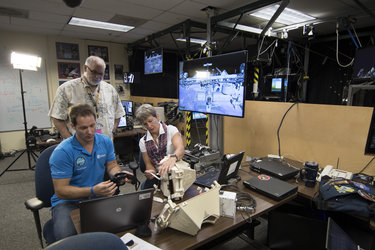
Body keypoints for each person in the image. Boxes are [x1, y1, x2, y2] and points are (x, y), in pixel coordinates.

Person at [49, 104, 132, 242]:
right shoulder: (62, 152)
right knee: (67, 240)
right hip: (68, 202)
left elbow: (112, 166)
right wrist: (93, 190)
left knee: (121, 227)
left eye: (92, 126)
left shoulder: (105, 141)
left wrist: (119, 174)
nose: (90, 132)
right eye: (83, 128)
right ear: (73, 126)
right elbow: (61, 190)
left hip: (96, 196)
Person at [49, 56, 124, 140]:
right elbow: (56, 117)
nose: (97, 76)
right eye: (94, 72)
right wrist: (69, 140)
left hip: (105, 144)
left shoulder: (110, 90)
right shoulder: (66, 89)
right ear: (85, 68)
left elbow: (118, 113)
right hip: (79, 145)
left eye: (101, 74)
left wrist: (112, 130)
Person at [135, 104, 185, 189]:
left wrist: (173, 158)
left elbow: (180, 149)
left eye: (150, 121)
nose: (149, 126)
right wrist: (150, 172)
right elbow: (148, 165)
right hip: (159, 176)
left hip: (174, 173)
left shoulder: (171, 130)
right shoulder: (143, 141)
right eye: (145, 124)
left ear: (157, 117)